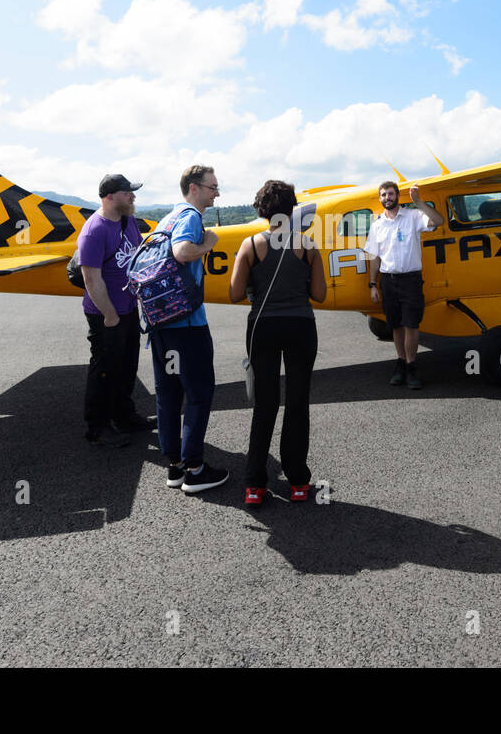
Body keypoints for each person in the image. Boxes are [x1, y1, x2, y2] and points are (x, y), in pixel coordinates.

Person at [228, 180, 327, 507]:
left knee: (265, 404)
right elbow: (320, 295)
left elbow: (235, 293)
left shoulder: (250, 245)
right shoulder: (307, 245)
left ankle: (255, 485)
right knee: (298, 402)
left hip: (263, 327)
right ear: (291, 209)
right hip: (301, 325)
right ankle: (298, 481)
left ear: (262, 209)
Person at [151, 165, 228, 494]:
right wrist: (208, 243)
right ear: (194, 188)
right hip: (187, 325)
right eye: (212, 187)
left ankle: (175, 466)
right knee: (199, 394)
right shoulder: (191, 218)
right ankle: (195, 469)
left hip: (161, 324)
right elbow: (182, 252)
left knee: (168, 393)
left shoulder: (165, 219)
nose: (217, 192)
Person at [79, 173, 155, 444]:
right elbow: (91, 278)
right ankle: (97, 427)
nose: (133, 196)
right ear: (110, 196)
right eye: (127, 192)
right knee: (104, 369)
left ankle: (124, 417)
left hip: (127, 307)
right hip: (104, 312)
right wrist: (109, 314)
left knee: (126, 365)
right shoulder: (93, 230)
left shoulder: (128, 221)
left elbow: (138, 259)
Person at [364, 181, 445, 389]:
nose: (387, 198)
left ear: (397, 196)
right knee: (396, 326)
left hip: (411, 279)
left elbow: (439, 220)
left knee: (411, 325)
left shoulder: (412, 216)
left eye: (390, 194)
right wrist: (373, 284)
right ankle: (400, 363)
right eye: (383, 195)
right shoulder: (377, 225)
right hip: (388, 281)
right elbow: (374, 257)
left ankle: (411, 367)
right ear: (380, 198)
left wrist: (418, 202)